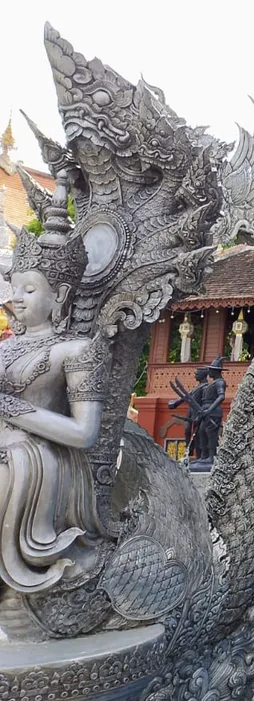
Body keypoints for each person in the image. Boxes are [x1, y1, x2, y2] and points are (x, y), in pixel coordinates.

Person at [0, 172, 108, 595]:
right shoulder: (4, 346)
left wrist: (8, 409)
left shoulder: (77, 351)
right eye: (14, 288)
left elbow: (84, 433)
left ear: (60, 296)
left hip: (36, 462)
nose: (17, 298)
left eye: (30, 288)